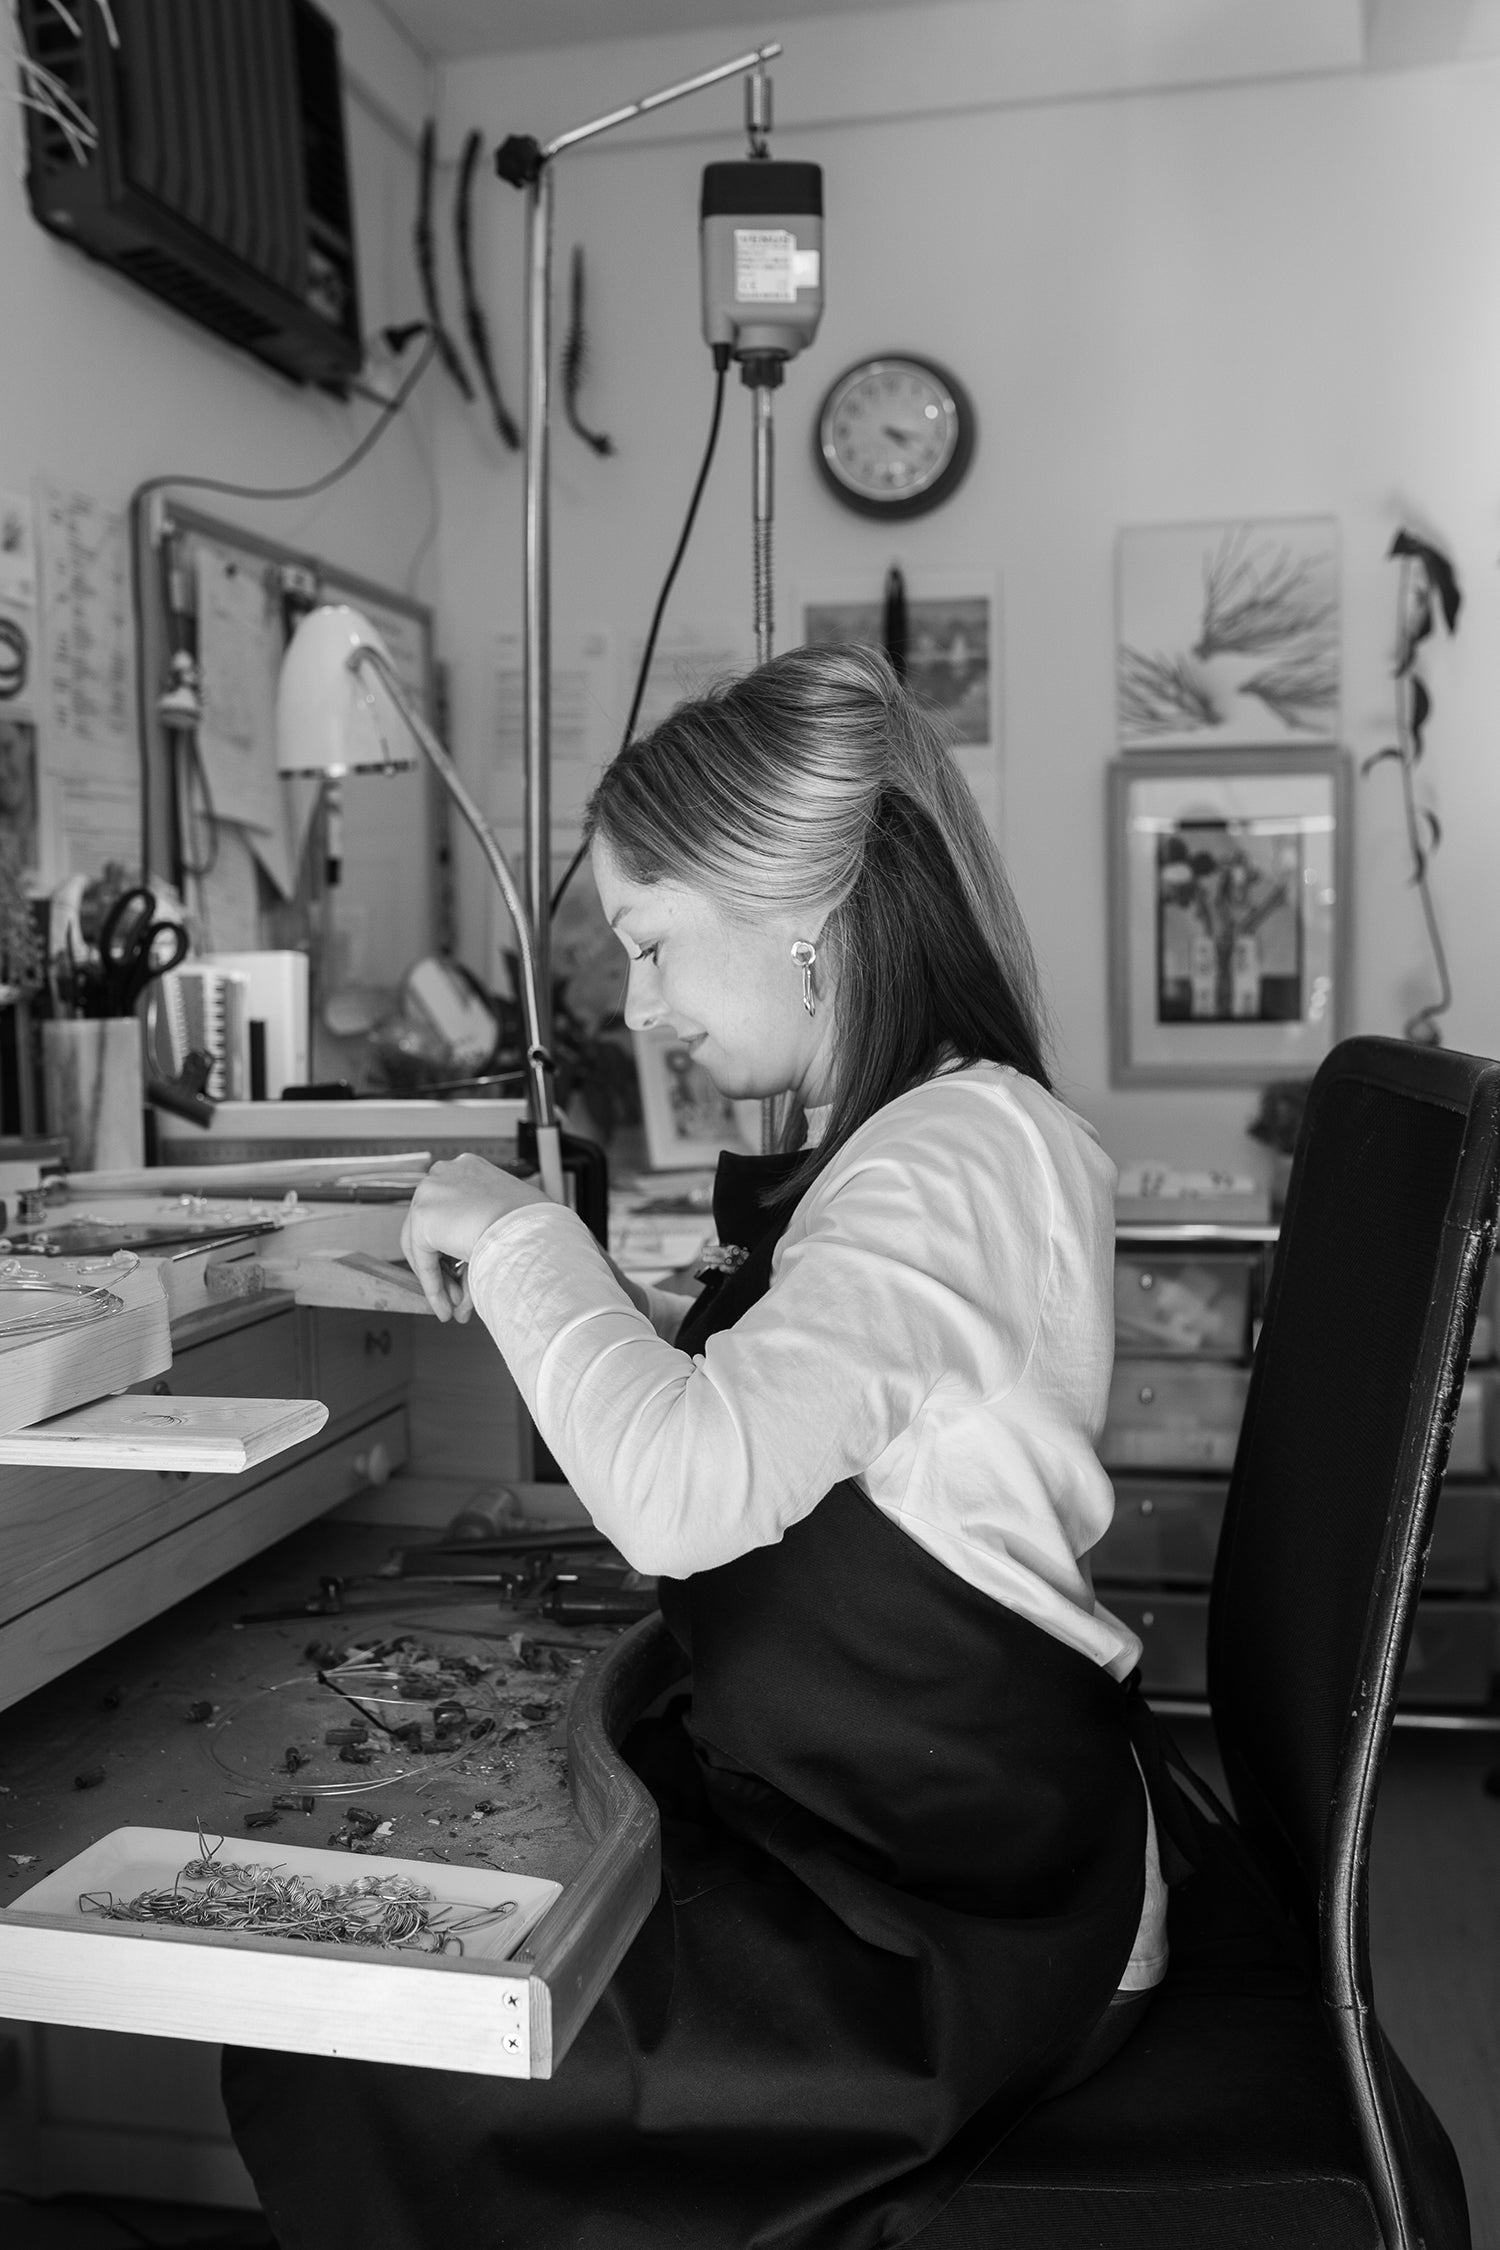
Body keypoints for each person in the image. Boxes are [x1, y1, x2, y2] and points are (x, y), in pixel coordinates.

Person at [223, 643, 1167, 2250]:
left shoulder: (955, 1155)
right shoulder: (926, 1137)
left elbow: (683, 1488)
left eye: (652, 942)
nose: (645, 1007)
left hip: (955, 1918)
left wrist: (526, 1241)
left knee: (365, 2045)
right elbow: (818, 1421)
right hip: (903, 1827)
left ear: (799, 900)